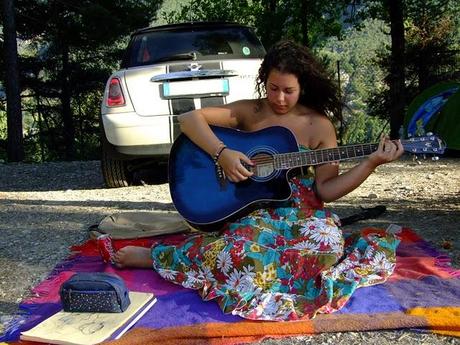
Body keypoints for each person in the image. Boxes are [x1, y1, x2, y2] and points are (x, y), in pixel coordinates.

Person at [109, 40, 404, 321]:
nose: (278, 98)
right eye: (273, 88)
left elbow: (327, 189)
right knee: (236, 254)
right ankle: (160, 257)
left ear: (303, 87)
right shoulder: (251, 111)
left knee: (327, 250)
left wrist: (371, 163)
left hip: (306, 214)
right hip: (256, 212)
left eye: (288, 90)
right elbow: (189, 120)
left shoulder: (319, 125)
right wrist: (222, 153)